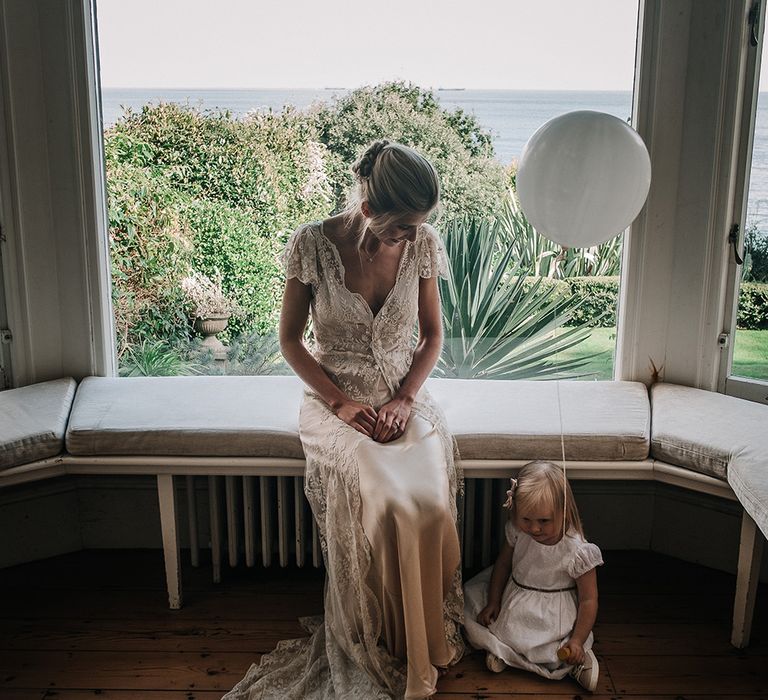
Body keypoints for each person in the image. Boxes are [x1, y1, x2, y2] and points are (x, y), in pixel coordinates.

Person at [223, 140, 464, 700]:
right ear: (367, 199)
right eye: (398, 225)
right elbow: (289, 341)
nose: (407, 236)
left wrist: (405, 398)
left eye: (416, 226)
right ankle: (373, 630)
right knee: (385, 499)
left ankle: (418, 638)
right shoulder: (312, 243)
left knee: (426, 501)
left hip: (404, 398)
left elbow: (432, 337)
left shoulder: (423, 244)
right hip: (336, 402)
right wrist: (339, 402)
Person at [463, 460, 603, 692]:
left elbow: (589, 599)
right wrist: (494, 601)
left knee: (558, 646)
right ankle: (504, 652)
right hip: (519, 596)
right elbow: (503, 565)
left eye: (544, 521)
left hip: (553, 609)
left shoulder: (577, 550)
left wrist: (578, 639)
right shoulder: (519, 532)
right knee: (490, 619)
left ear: (564, 510)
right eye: (526, 519)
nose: (534, 529)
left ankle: (577, 660)